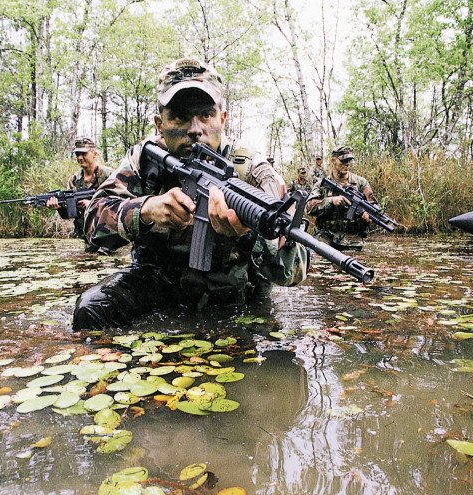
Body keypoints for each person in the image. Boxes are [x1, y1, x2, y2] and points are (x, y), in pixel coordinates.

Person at [72, 57, 308, 331]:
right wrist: (146, 211)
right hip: (159, 281)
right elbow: (92, 223)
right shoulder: (145, 159)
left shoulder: (252, 170)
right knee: (92, 308)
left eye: (206, 115)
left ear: (223, 118)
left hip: (235, 293)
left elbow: (296, 269)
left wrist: (248, 237)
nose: (195, 129)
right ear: (160, 124)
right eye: (180, 117)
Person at [306, 145, 378, 250]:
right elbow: (308, 208)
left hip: (353, 239)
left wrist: (368, 216)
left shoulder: (360, 183)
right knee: (318, 262)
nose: (347, 165)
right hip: (326, 236)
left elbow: (373, 205)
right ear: (333, 160)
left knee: (354, 265)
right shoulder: (322, 184)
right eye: (343, 161)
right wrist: (330, 201)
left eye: (349, 161)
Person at [46, 137, 114, 243]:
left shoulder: (109, 175)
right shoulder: (74, 180)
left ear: (95, 154)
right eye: (77, 154)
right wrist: (59, 207)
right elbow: (70, 214)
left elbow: (120, 202)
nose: (80, 158)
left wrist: (94, 205)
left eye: (84, 154)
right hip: (85, 236)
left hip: (109, 234)